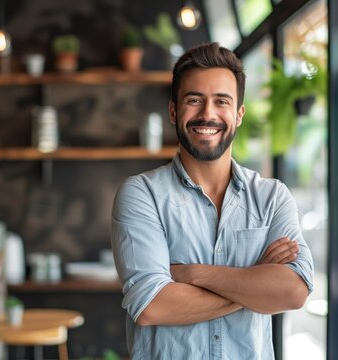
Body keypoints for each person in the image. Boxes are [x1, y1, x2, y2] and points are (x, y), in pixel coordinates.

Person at [110, 42, 314, 360]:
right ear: (174, 111)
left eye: (222, 101)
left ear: (239, 114)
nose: (208, 114)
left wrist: (195, 274)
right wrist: (255, 280)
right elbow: (152, 305)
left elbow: (293, 291)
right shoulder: (141, 194)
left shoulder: (272, 197)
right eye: (195, 100)